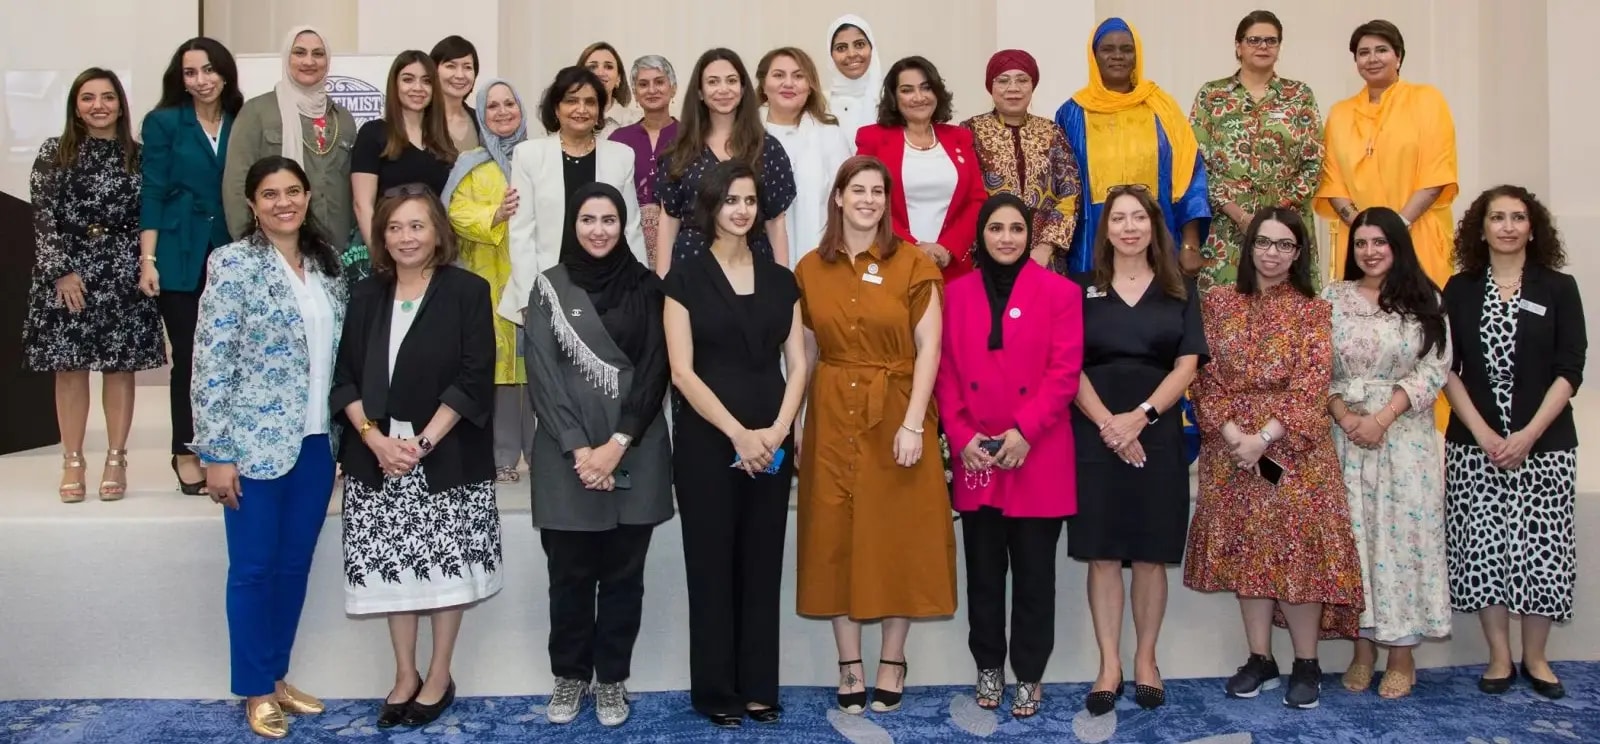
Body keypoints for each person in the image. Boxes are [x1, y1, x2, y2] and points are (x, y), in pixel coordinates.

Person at [331, 185, 500, 729]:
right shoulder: (363, 294)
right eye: (395, 228)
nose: (407, 237)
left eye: (417, 226)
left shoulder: (468, 291)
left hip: (444, 457)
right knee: (393, 575)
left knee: (445, 571)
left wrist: (422, 444)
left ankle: (438, 673)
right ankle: (404, 674)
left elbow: (475, 377)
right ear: (382, 236)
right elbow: (345, 380)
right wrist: (375, 439)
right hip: (377, 459)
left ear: (438, 232)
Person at [191, 156, 348, 739]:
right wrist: (216, 452)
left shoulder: (327, 268)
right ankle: (255, 689)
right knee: (254, 570)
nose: (284, 202)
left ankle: (278, 675)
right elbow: (210, 362)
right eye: (270, 194)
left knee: (292, 566)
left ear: (308, 197)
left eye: (293, 191)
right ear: (253, 205)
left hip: (313, 444)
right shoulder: (231, 264)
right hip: (250, 448)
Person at [794, 155, 955, 716]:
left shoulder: (913, 264)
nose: (868, 200)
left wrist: (914, 422)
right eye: (857, 190)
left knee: (897, 535)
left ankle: (891, 658)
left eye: (877, 192)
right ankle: (848, 662)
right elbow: (806, 352)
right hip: (832, 412)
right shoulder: (810, 268)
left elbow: (930, 346)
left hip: (896, 410)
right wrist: (796, 422)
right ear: (837, 197)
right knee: (833, 533)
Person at [1184, 208, 1363, 711]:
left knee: (1298, 550)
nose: (1272, 253)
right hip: (1230, 445)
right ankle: (1259, 657)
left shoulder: (1313, 309)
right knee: (1248, 549)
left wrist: (1263, 437)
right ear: (1249, 246)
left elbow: (1312, 383)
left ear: (1298, 253)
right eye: (1264, 242)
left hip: (1293, 448)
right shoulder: (1216, 302)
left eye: (1285, 245)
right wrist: (1233, 434)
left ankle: (1306, 663)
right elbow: (1202, 373)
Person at [663, 161, 808, 728]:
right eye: (730, 201)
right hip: (707, 439)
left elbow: (798, 364)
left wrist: (774, 432)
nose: (742, 210)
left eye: (750, 200)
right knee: (711, 563)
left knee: (761, 562)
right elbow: (681, 371)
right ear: (711, 208)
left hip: (772, 437)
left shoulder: (781, 279)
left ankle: (758, 686)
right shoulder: (684, 278)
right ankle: (716, 690)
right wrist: (738, 433)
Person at [523, 183, 672, 728]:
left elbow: (657, 369)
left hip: (637, 447)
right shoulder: (548, 288)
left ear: (623, 223)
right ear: (573, 224)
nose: (599, 230)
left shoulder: (648, 287)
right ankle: (569, 676)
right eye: (588, 219)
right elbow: (542, 373)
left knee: (624, 578)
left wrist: (616, 445)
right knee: (569, 577)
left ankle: (611, 680)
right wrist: (582, 451)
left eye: (610, 219)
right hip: (568, 457)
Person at [934, 193, 1082, 717]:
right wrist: (960, 434)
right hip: (977, 455)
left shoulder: (1060, 292)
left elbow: (1064, 373)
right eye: (995, 228)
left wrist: (1024, 432)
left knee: (1036, 575)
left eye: (1016, 228)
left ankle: (1031, 674)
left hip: (1036, 453)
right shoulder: (955, 294)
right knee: (984, 572)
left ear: (1029, 234)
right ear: (981, 235)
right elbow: (945, 371)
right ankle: (989, 667)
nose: (1006, 238)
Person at [1068, 185, 1207, 714]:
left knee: (1150, 555)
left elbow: (1187, 364)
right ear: (1105, 231)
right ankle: (1109, 664)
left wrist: (1139, 419)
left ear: (1154, 227)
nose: (1129, 227)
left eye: (1138, 218)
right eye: (1118, 219)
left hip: (1158, 430)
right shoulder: (1080, 289)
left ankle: (1146, 659)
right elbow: (1068, 366)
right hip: (1094, 429)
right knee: (1102, 553)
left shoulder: (1180, 291)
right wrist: (1109, 424)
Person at [1442, 185, 1585, 700]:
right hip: (1473, 445)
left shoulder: (1559, 288)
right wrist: (1484, 434)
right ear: (1480, 229)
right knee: (1485, 550)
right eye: (1496, 217)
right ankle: (1499, 657)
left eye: (1517, 217)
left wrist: (1525, 436)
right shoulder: (1458, 290)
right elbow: (1445, 367)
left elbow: (1571, 369)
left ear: (1533, 227)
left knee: (1542, 551)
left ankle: (1537, 658)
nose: (1507, 226)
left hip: (1544, 445)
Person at [1324, 207, 1451, 699]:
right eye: (1361, 243)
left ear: (1398, 245)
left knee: (1402, 544)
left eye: (1380, 242)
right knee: (1356, 543)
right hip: (1346, 436)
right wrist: (1345, 415)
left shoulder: (1425, 297)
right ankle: (1362, 651)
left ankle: (1402, 655)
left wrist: (1382, 417)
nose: (1370, 251)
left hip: (1405, 438)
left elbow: (1436, 366)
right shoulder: (1332, 298)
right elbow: (1316, 367)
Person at [25, 67, 162, 503]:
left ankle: (116, 459)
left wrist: (145, 265)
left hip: (123, 271)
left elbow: (150, 216)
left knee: (120, 368)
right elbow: (43, 215)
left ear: (121, 104)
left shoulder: (139, 156)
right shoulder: (54, 152)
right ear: (75, 106)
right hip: (70, 273)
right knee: (70, 368)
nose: (98, 105)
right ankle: (73, 459)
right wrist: (59, 270)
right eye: (88, 97)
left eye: (107, 97)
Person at [138, 38, 244, 496]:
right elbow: (153, 192)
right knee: (190, 357)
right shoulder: (163, 123)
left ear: (224, 73)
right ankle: (185, 451)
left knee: (232, 356)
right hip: (179, 253)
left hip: (231, 252)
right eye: (190, 72)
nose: (201, 81)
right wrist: (148, 259)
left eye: (208, 70)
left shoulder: (241, 121)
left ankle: (226, 446)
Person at [1055, 17, 1210, 275]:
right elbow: (1062, 186)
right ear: (1094, 56)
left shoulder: (1162, 108)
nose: (1118, 56)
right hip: (1091, 242)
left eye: (1127, 49)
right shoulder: (1072, 113)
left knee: (1155, 312)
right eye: (1108, 49)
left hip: (1156, 238)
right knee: (1096, 313)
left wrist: (1190, 245)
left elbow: (1190, 177)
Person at [497, 67, 646, 325]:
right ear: (556, 108)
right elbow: (522, 233)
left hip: (608, 288)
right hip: (550, 284)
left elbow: (631, 228)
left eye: (590, 102)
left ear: (600, 110)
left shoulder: (621, 156)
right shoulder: (530, 155)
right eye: (571, 100)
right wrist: (529, 298)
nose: (581, 109)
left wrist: (641, 290)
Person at [1315, 19, 1457, 287]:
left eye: (1381, 50)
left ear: (1398, 56)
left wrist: (1395, 228)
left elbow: (1436, 173)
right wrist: (1365, 232)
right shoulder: (1340, 113)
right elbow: (1332, 182)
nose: (1372, 59)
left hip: (1416, 231)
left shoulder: (1427, 100)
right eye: (1363, 52)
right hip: (1360, 244)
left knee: (1419, 317)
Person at [1190, 10, 1324, 291]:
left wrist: (1274, 219)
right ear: (1238, 46)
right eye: (1254, 40)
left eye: (1270, 41)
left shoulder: (1299, 95)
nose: (1263, 46)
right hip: (1227, 227)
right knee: (1225, 316)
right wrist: (1240, 215)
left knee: (1286, 320)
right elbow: (1197, 164)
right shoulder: (1212, 95)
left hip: (1287, 227)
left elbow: (1314, 163)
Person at [444, 79, 533, 484]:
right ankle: (500, 456)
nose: (501, 112)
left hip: (535, 277)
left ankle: (540, 452)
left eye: (508, 103)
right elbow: (454, 213)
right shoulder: (472, 163)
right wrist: (495, 214)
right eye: (492, 106)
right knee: (496, 370)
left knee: (536, 368)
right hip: (486, 277)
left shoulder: (540, 156)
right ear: (480, 113)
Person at [655, 47, 796, 273]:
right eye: (713, 82)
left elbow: (775, 223)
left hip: (752, 266)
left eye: (731, 81)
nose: (723, 89)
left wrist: (783, 284)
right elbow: (669, 220)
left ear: (742, 89)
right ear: (700, 92)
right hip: (692, 267)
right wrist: (662, 283)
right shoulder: (678, 151)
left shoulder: (767, 149)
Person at [223, 26, 356, 256]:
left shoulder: (343, 118)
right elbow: (236, 184)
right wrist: (250, 246)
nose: (309, 61)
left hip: (336, 249)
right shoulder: (257, 112)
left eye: (318, 53)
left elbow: (352, 187)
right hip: (272, 246)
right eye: (300, 52)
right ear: (287, 57)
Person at [855, 55, 987, 281]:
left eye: (926, 88)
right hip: (891, 261)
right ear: (894, 98)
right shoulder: (872, 138)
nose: (918, 97)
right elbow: (864, 200)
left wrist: (947, 247)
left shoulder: (960, 137)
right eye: (907, 90)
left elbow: (977, 200)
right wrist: (911, 248)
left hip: (951, 266)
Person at [961, 50, 1081, 271]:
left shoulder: (1052, 132)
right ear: (991, 87)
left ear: (1033, 85)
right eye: (1003, 81)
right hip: (988, 258)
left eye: (1022, 80)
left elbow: (1071, 192)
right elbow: (964, 195)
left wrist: (1047, 246)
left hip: (1044, 260)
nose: (1013, 88)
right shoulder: (970, 132)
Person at [351, 51, 457, 252]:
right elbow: (362, 205)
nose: (418, 88)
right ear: (395, 85)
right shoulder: (373, 133)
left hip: (434, 252)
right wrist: (380, 256)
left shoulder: (441, 141)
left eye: (426, 81)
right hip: (390, 252)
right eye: (408, 80)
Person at [757, 46, 853, 266]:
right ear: (763, 84)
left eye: (798, 76)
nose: (788, 83)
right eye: (779, 75)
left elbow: (846, 203)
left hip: (820, 260)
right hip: (754, 263)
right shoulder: (742, 136)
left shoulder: (831, 135)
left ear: (810, 87)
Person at [609, 55, 680, 266]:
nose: (652, 90)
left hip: (679, 243)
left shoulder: (690, 137)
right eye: (643, 84)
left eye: (659, 82)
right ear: (635, 93)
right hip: (628, 243)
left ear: (673, 88)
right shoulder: (619, 139)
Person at [824, 14, 883, 136]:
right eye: (841, 48)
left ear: (872, 48)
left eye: (859, 45)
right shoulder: (821, 104)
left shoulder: (890, 99)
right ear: (831, 56)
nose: (851, 54)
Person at [430, 35, 483, 153]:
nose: (460, 75)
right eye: (451, 66)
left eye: (467, 67)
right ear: (433, 70)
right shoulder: (418, 120)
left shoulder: (481, 121)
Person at [579, 41, 641, 136]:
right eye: (592, 67)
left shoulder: (637, 122)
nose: (600, 73)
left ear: (618, 79)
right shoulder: (567, 119)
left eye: (608, 67)